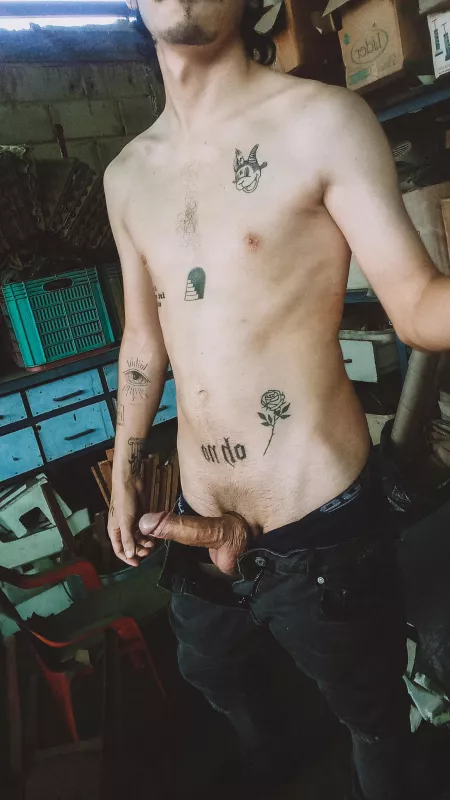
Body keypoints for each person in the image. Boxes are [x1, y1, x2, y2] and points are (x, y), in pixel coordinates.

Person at [104, 1, 450, 796]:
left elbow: (417, 307)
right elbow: (142, 343)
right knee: (216, 675)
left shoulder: (320, 123)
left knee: (372, 719)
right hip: (198, 524)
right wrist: (124, 472)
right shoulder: (126, 175)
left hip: (321, 532)